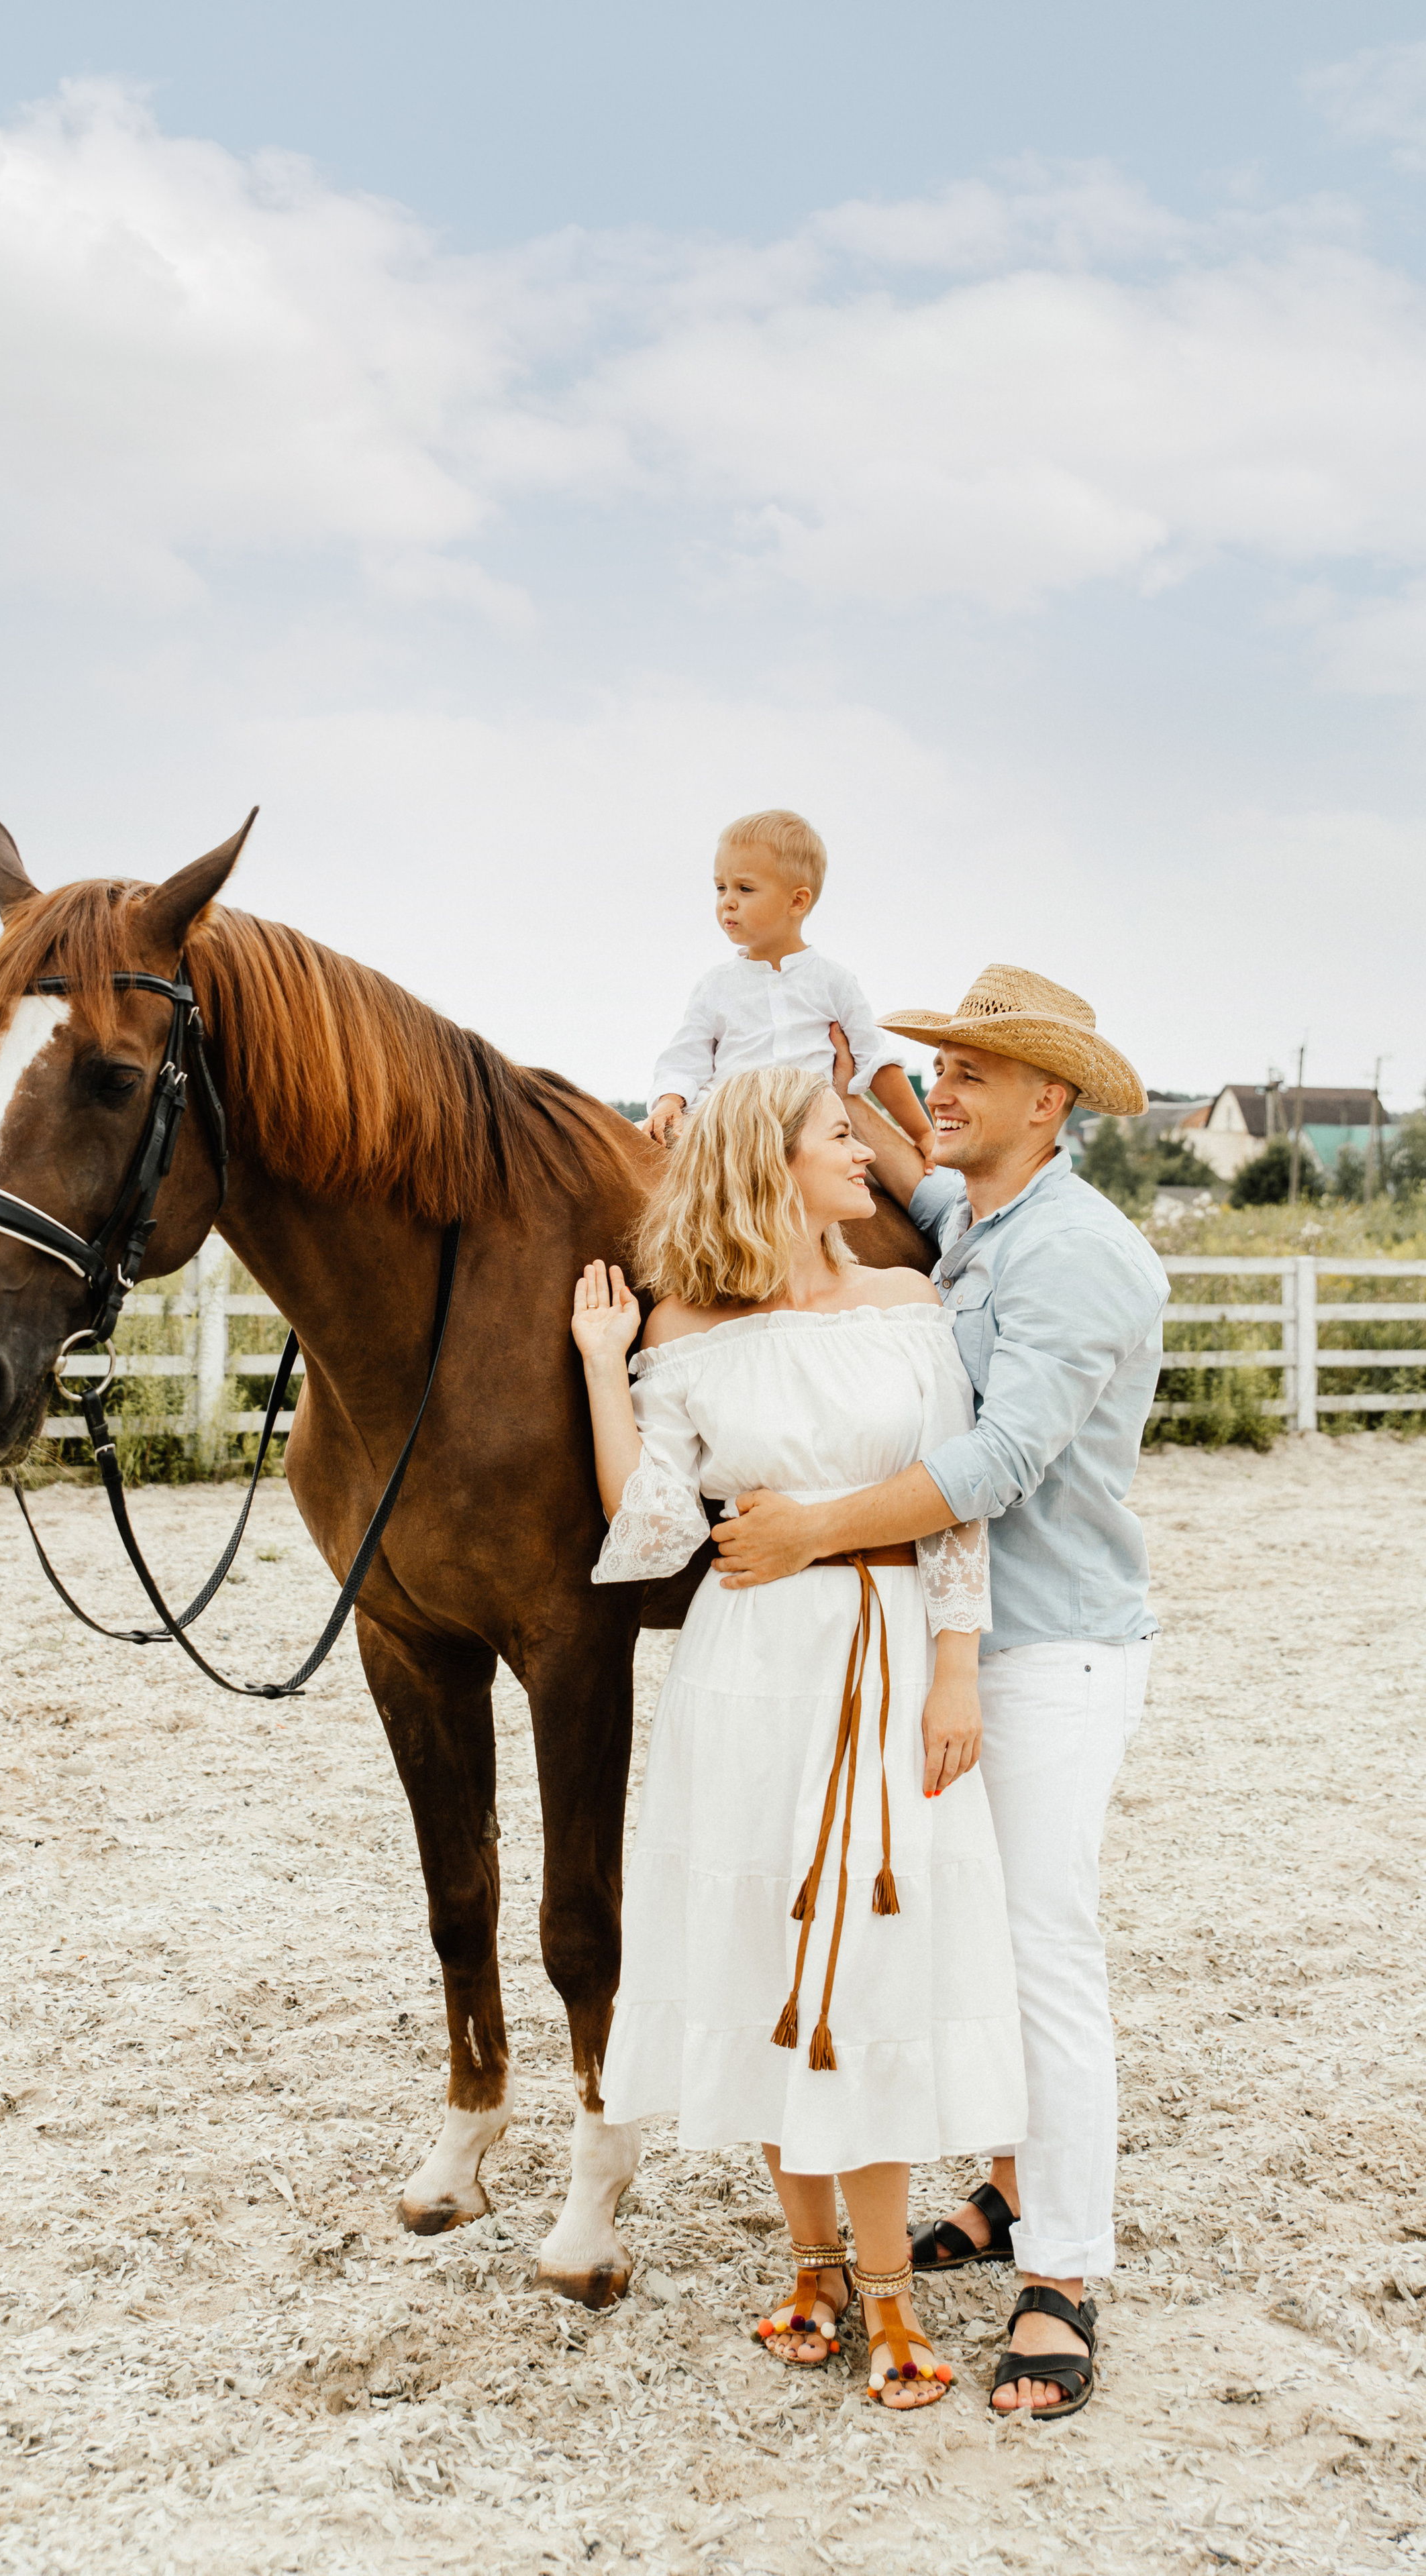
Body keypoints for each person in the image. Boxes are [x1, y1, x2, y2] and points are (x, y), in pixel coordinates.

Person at [711, 965, 1166, 2422]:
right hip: (950, 1640)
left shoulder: (1077, 1255)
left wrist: (810, 1531)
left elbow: (998, 1464)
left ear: (1050, 1100)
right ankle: (1010, 2193)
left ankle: (1064, 2272)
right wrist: (837, 1076)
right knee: (968, 1941)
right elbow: (901, 1169)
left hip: (1045, 1645)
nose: (942, 1090)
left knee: (1039, 1949)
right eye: (939, 1067)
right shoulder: (980, 1218)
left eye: (971, 1071)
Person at [572, 1066, 1027, 2410]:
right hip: (747, 1672)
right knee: (767, 1955)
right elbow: (653, 1531)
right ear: (767, 1159)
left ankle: (890, 2299)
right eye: (840, 1135)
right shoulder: (686, 1327)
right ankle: (813, 2272)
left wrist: (956, 1671)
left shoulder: (906, 1304)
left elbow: (953, 1502)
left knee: (871, 1967)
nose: (866, 1155)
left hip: (888, 1656)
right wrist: (604, 1367)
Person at [642, 810, 937, 1167]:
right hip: (725, 1123)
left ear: (797, 901)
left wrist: (923, 1133)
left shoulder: (834, 982)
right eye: (721, 888)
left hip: (807, 1124)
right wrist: (670, 1101)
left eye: (744, 888)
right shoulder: (714, 986)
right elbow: (686, 1059)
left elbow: (876, 1063)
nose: (727, 901)